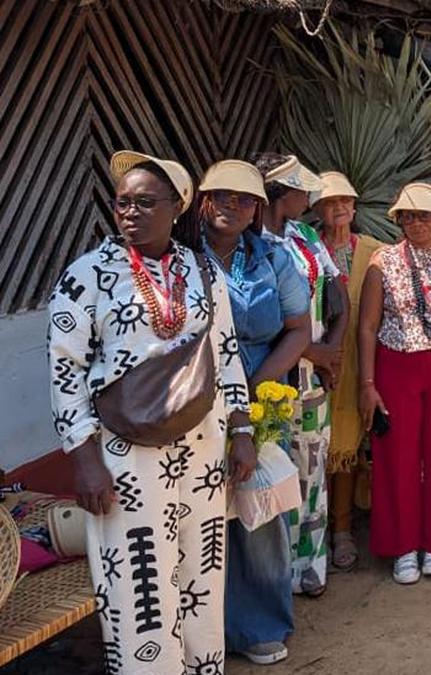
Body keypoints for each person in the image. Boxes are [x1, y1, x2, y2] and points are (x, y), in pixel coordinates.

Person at [49, 151, 255, 675]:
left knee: (200, 577)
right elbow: (64, 369)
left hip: (202, 445)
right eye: (123, 203)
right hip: (125, 454)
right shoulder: (88, 275)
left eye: (146, 202)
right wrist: (84, 459)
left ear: (176, 207)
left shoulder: (200, 269)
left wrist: (242, 427)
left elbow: (225, 350)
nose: (131, 213)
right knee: (138, 585)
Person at [180, 159, 312, 666]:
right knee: (204, 512)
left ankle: (259, 625)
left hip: (262, 393)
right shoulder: (180, 261)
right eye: (222, 196)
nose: (232, 206)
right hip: (193, 403)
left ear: (258, 207)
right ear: (203, 202)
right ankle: (205, 631)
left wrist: (255, 387)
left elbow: (299, 327)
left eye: (244, 198)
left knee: (257, 508)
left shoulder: (272, 258)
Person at [358, 183, 431, 584]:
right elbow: (368, 326)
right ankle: (403, 545)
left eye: (425, 215)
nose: (416, 223)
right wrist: (367, 383)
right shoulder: (382, 261)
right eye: (408, 216)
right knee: (397, 457)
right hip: (396, 363)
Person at [255, 153, 348, 597]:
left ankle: (310, 571)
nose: (308, 198)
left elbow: (338, 296)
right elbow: (263, 321)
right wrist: (315, 351)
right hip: (272, 380)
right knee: (277, 476)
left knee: (312, 472)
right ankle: (278, 578)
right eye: (300, 190)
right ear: (280, 194)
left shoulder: (306, 235)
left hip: (314, 378)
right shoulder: (250, 245)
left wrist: (332, 351)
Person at [311, 171, 384, 572]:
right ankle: (314, 532)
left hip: (361, 363)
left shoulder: (375, 251)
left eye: (345, 202)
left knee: (348, 450)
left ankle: (341, 531)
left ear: (355, 207)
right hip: (315, 361)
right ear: (318, 209)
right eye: (330, 202)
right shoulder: (305, 248)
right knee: (316, 450)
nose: (339, 208)